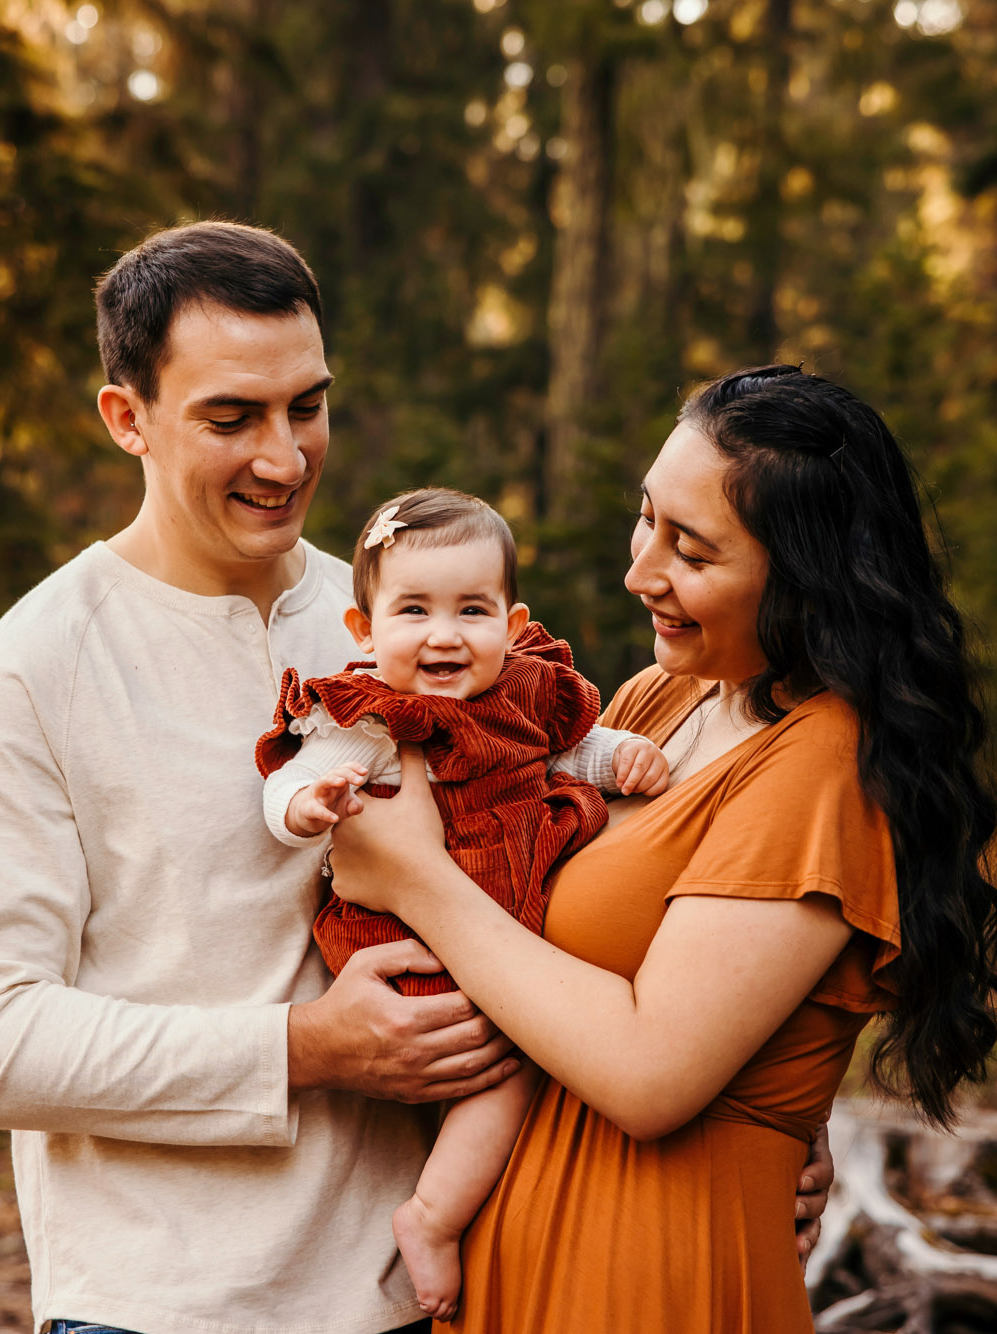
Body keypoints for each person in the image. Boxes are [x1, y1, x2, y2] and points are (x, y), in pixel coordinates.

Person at [0, 222, 833, 1334]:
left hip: (430, 1293)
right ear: (126, 420)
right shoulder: (27, 678)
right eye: (230, 417)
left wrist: (766, 1111)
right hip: (167, 1306)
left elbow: (593, 883)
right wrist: (304, 1049)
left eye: (306, 405)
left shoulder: (413, 619)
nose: (284, 458)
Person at [328, 366, 997, 1332]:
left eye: (691, 551)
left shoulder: (827, 765)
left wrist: (414, 879)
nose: (641, 571)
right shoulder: (670, 695)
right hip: (515, 1255)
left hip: (653, 1274)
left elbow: (652, 1075)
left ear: (805, 577)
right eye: (647, 519)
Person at [257, 488, 669, 1318]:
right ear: (365, 631)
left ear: (513, 624)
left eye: (471, 609)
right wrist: (309, 808)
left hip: (507, 918)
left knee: (544, 1054)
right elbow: (289, 781)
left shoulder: (523, 693)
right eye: (413, 610)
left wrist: (625, 756)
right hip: (415, 947)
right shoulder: (366, 715)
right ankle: (433, 1217)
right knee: (504, 1070)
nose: (444, 634)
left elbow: (572, 753)